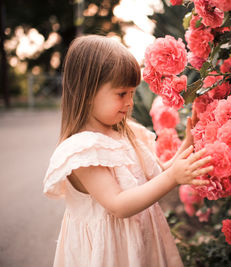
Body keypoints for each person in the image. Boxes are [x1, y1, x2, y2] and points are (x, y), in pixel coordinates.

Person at [43, 35, 213, 267]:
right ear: (87, 92)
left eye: (132, 93)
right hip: (111, 255)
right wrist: (173, 178)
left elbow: (157, 174)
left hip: (138, 244)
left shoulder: (128, 132)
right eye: (122, 94)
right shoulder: (82, 151)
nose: (130, 102)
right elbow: (119, 204)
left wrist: (190, 140)